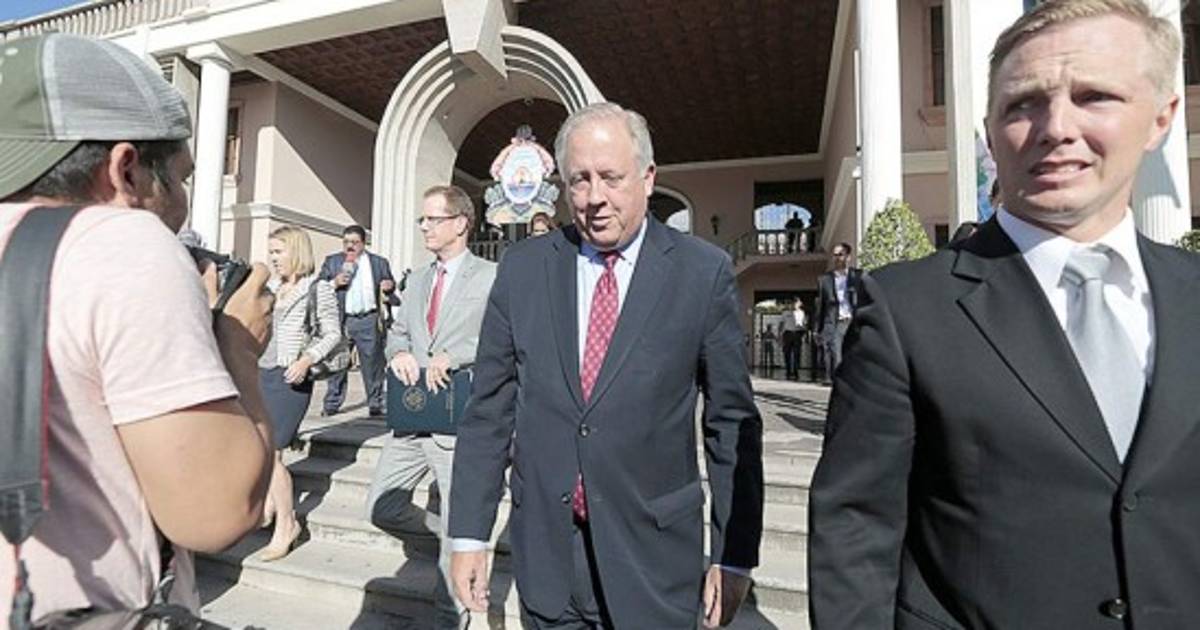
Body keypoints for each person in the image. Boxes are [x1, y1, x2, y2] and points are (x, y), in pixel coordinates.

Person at [809, 1, 1200, 628]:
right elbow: (856, 529)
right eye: (1022, 105)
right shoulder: (906, 309)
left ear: (1161, 118)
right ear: (990, 133)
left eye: (1094, 97)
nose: (1056, 128)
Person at [448, 102, 764, 629]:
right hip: (549, 558)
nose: (594, 197)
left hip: (653, 562)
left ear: (647, 177)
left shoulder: (701, 273)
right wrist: (468, 535)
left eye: (611, 178)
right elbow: (488, 411)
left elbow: (730, 423)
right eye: (580, 180)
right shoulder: (523, 270)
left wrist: (733, 554)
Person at [0, 33, 273, 621]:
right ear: (125, 169)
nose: (182, 201)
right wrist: (240, 350)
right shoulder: (120, 241)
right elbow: (215, 512)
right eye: (180, 176)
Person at [371, 185, 497, 629]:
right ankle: (454, 540)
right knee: (381, 506)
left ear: (460, 223)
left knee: (456, 522)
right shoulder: (418, 278)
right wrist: (400, 353)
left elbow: (503, 337)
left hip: (456, 419)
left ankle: (452, 617)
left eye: (433, 219)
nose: (424, 226)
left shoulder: (490, 276)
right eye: (422, 219)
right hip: (412, 418)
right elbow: (398, 333)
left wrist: (455, 354)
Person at [257, 226, 342, 561]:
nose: (273, 258)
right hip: (261, 373)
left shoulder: (318, 288)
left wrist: (307, 359)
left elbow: (332, 334)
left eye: (278, 251)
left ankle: (287, 524)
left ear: (295, 251)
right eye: (271, 252)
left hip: (291, 378)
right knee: (263, 451)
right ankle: (269, 505)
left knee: (271, 452)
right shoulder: (272, 289)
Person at [319, 224, 398, 417]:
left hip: (368, 319)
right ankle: (332, 404)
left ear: (363, 243)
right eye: (346, 242)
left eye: (354, 242)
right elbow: (318, 286)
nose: (350, 246)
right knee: (337, 364)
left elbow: (390, 283)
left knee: (372, 364)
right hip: (342, 320)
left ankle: (375, 403)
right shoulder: (333, 262)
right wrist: (334, 282)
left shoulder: (379, 263)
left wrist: (389, 286)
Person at [815, 242, 862, 383]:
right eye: (834, 255)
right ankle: (840, 385)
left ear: (848, 257)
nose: (837, 258)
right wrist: (817, 329)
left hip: (853, 322)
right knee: (836, 355)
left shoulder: (858, 276)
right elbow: (821, 306)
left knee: (854, 355)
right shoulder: (824, 280)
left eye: (840, 254)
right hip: (835, 323)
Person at [779, 300, 807, 380]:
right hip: (787, 333)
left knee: (797, 353)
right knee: (787, 353)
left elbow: (804, 324)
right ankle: (788, 370)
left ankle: (796, 370)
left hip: (797, 333)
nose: (794, 305)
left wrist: (804, 333)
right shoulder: (785, 313)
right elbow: (781, 324)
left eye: (797, 303)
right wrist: (780, 335)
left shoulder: (802, 313)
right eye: (793, 303)